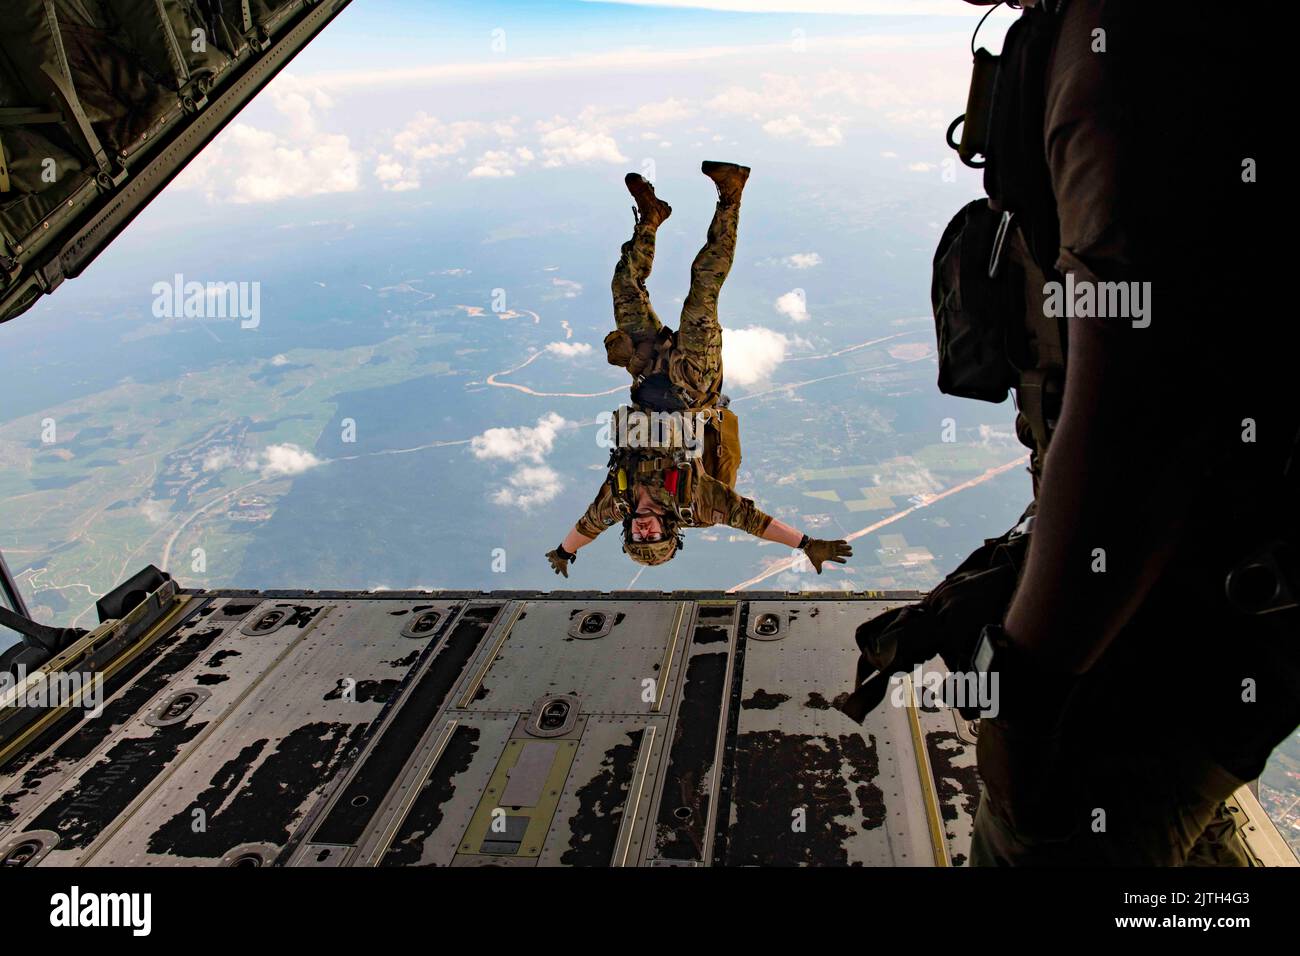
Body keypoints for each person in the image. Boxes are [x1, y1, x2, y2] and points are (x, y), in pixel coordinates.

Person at [846, 0, 1295, 865]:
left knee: (1054, 834)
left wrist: (1028, 689)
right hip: (1203, 605)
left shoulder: (1124, 40)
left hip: (1169, 625)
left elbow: (1145, 393)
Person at [545, 162, 851, 576]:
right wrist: (807, 544)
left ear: (630, 533)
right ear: (670, 530)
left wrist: (565, 553)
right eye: (656, 537)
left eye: (639, 538)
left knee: (625, 288)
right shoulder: (697, 503)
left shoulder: (617, 502)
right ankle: (731, 195)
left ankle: (651, 219)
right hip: (693, 383)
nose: (646, 530)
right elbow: (751, 520)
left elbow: (585, 528)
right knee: (702, 289)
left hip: (649, 376)